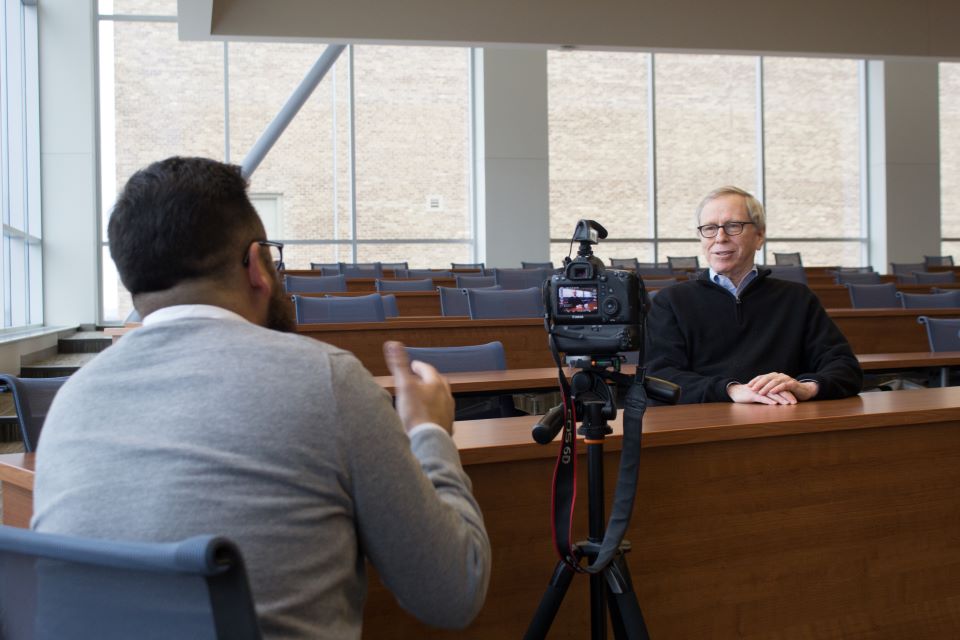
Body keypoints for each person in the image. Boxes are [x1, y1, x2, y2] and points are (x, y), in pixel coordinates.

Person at [31, 157, 491, 638]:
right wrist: (429, 431)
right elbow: (454, 592)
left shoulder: (71, 399)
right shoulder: (327, 380)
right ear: (257, 264)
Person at [644, 185, 863, 404]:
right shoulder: (671, 302)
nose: (720, 237)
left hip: (784, 419)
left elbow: (845, 368)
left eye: (733, 226)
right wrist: (731, 390)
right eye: (709, 228)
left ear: (760, 235)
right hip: (704, 423)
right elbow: (660, 376)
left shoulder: (797, 299)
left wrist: (807, 387)